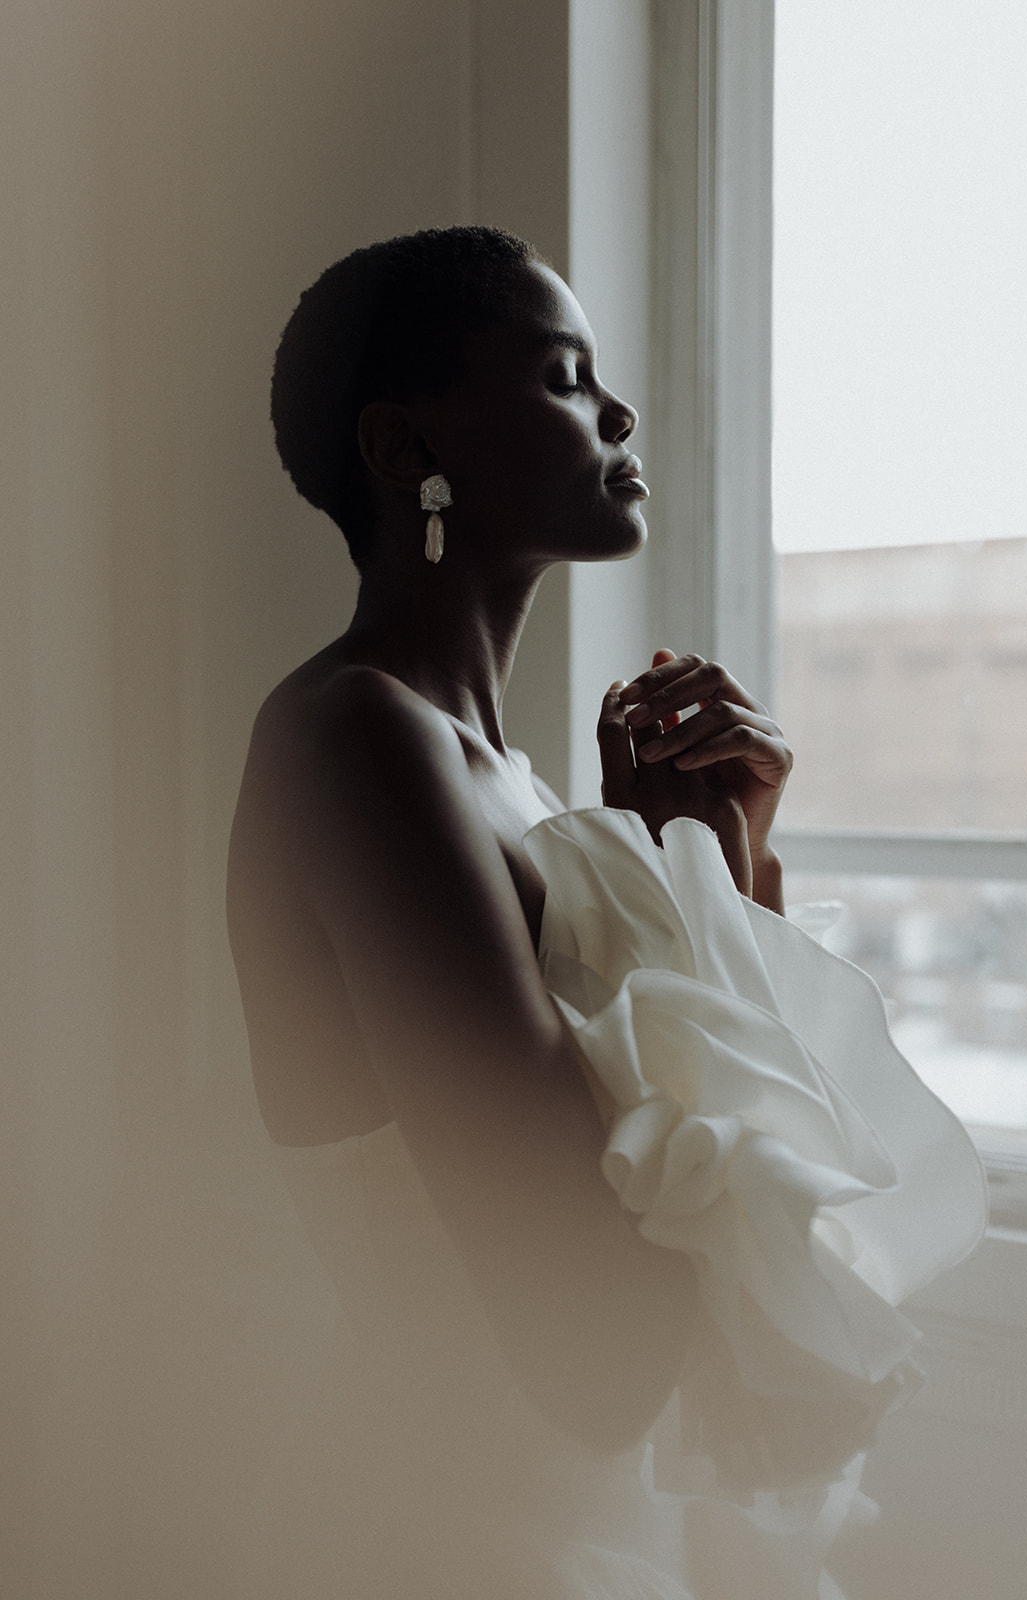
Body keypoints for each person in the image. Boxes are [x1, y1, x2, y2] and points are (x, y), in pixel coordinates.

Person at [227, 227, 986, 1599]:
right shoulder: (355, 741)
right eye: (565, 374)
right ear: (404, 450)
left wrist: (712, 864)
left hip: (614, 1528)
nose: (618, 412)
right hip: (449, 1545)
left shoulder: (508, 784)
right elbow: (596, 1354)